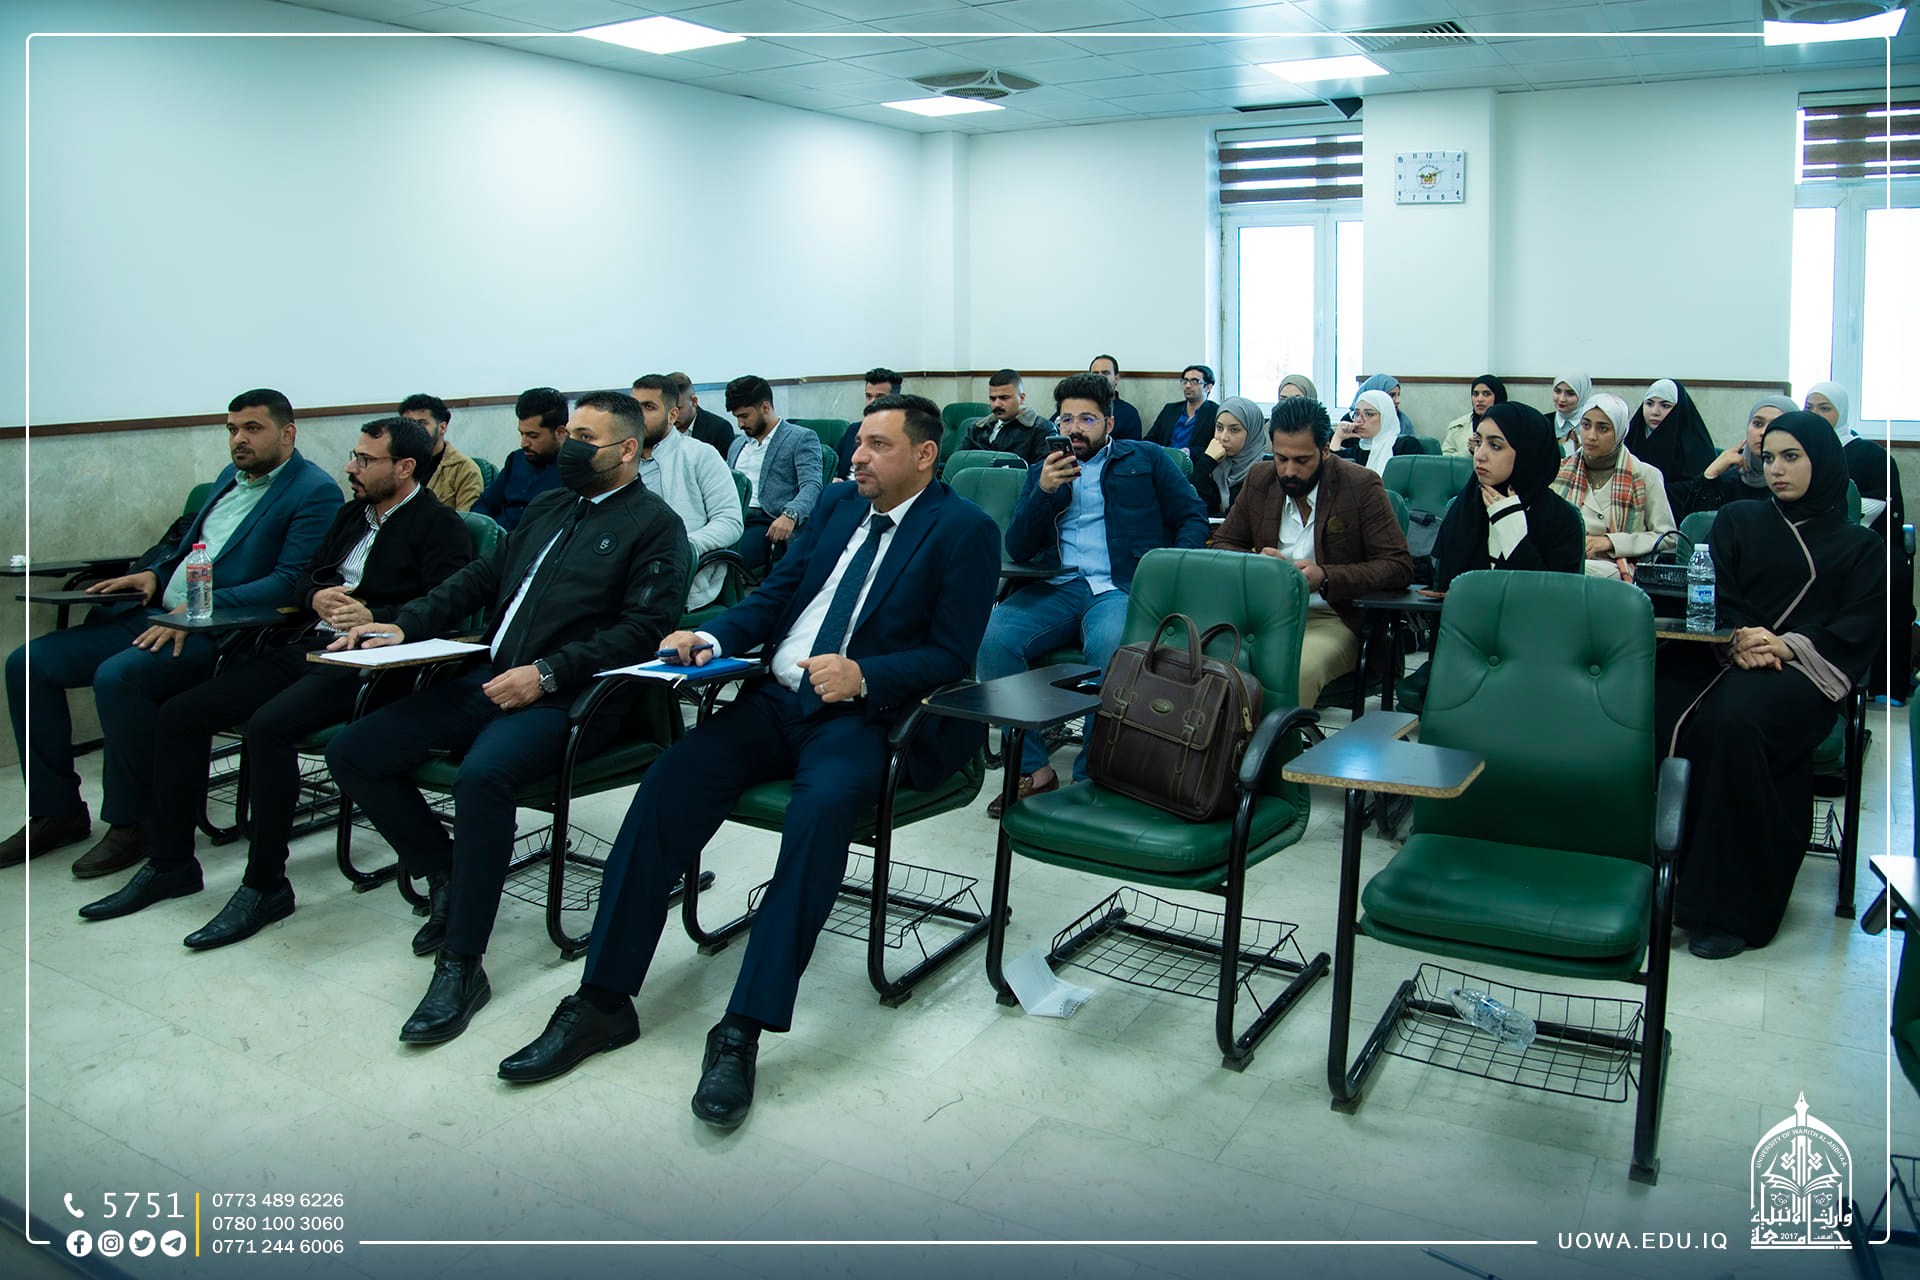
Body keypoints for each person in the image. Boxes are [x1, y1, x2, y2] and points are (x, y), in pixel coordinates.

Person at [495, 393, 999, 1130]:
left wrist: (867, 675)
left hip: (860, 718)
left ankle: (743, 1028)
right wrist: (713, 636)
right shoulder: (838, 507)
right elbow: (778, 594)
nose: (857, 456)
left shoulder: (964, 530)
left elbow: (952, 653)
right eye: (858, 442)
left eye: (878, 446)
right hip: (773, 701)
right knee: (668, 782)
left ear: (925, 455)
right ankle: (601, 1000)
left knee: (818, 816)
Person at [324, 390, 689, 1045]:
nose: (569, 447)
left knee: (482, 777)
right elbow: (478, 579)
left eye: (586, 438)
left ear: (628, 449)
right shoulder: (550, 505)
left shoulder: (654, 525)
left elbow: (643, 630)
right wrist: (402, 623)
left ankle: (462, 962)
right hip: (491, 676)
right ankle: (447, 870)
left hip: (573, 698)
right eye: (569, 434)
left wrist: (547, 672)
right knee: (354, 751)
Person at [73, 418, 471, 943]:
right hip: (306, 643)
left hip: (368, 660)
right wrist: (315, 596)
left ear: (405, 467)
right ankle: (171, 863)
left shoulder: (439, 525)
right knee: (181, 714)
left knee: (269, 728)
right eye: (353, 455)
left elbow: (443, 607)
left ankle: (265, 886)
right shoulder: (352, 514)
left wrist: (375, 615)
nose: (350, 467)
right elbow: (305, 577)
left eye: (365, 460)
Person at [1, 389, 341, 873]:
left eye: (252, 429)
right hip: (158, 614)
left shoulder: (314, 491)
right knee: (28, 663)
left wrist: (201, 606)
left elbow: (289, 582)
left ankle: (135, 822)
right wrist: (153, 575)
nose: (238, 440)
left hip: (221, 631)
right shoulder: (228, 478)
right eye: (232, 429)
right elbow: (188, 549)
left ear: (288, 433)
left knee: (120, 677)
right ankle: (56, 811)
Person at [1657, 412, 1880, 958]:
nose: (1776, 469)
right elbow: (1716, 593)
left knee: (1733, 725)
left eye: (1791, 457)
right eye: (1769, 457)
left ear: (1822, 461)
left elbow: (1859, 625)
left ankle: (1728, 909)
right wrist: (1735, 639)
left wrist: (1786, 645)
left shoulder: (1860, 545)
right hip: (1724, 653)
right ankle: (1651, 881)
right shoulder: (1739, 518)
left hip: (1802, 671)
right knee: (1654, 705)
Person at [981, 372, 1208, 812]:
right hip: (1058, 586)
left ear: (1109, 423)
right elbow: (1019, 547)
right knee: (993, 638)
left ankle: (1092, 774)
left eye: (1087, 419)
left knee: (1110, 646)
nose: (1075, 429)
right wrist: (1044, 492)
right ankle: (1033, 769)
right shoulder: (1041, 472)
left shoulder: (1147, 459)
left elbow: (1192, 515)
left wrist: (1169, 573)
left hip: (1119, 587)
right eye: (1066, 420)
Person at [1212, 396, 1414, 708]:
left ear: (1325, 450)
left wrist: (1326, 577)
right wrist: (1256, 564)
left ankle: (1276, 740)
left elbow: (1398, 566)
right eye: (1281, 458)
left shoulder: (1360, 486)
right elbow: (1222, 544)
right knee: (1210, 667)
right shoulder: (1261, 479)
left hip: (1334, 617)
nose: (1289, 471)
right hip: (1265, 616)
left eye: (1302, 461)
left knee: (1290, 672)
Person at [1806, 380, 1912, 699]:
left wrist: (1833, 516)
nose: (1816, 414)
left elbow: (1880, 503)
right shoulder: (1800, 451)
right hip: (1813, 539)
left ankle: (1884, 683)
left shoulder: (1869, 454)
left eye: (1825, 408)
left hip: (1865, 539)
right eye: (1809, 408)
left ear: (1842, 412)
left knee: (1889, 572)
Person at [1431, 402, 1585, 589]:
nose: (1479, 455)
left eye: (1495, 446)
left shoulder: (1562, 519)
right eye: (1478, 442)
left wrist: (1514, 535)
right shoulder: (1466, 505)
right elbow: (1444, 590)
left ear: (1527, 453)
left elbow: (1556, 598)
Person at [630, 374, 743, 611]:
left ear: (672, 415)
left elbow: (729, 521)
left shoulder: (699, 455)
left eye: (649, 407)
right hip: (626, 566)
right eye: (634, 407)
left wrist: (684, 545)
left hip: (678, 571)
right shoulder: (622, 459)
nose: (638, 415)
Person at [1551, 393, 1679, 581]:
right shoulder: (1560, 471)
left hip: (1617, 567)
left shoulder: (1645, 476)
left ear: (1619, 432)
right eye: (1586, 425)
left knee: (1585, 572)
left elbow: (1668, 538)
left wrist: (1611, 542)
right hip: (1564, 559)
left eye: (1602, 428)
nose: (1591, 436)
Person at [725, 374, 822, 573]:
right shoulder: (737, 444)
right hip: (732, 516)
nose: (740, 424)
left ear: (765, 407)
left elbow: (812, 486)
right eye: (737, 417)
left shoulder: (800, 438)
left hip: (768, 521)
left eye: (744, 416)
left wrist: (791, 514)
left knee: (726, 557)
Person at [472, 387, 567, 532]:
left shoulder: (575, 469)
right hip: (497, 538)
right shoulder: (516, 459)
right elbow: (485, 504)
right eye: (522, 434)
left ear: (560, 432)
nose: (524, 443)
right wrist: (486, 531)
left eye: (533, 436)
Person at [1624, 378, 1715, 518]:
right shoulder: (1632, 437)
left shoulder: (1695, 445)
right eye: (1649, 404)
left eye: (1665, 405)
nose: (1655, 412)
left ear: (1678, 409)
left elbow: (1698, 490)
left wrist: (1651, 491)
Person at [1697, 394, 1797, 513]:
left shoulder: (1798, 482)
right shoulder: (1729, 479)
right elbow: (1697, 521)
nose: (1763, 432)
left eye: (1775, 425)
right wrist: (1710, 475)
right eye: (1758, 424)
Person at [397, 393, 485, 513]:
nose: (414, 430)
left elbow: (467, 520)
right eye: (408, 423)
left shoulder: (464, 469)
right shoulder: (395, 464)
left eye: (422, 423)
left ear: (442, 428)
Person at [1193, 395, 1265, 518]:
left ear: (1252, 433)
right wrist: (1206, 463)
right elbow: (1190, 505)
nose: (1223, 438)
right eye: (1219, 428)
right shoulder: (1213, 461)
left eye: (1234, 430)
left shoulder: (1265, 471)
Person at [959, 369, 1051, 463]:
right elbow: (958, 462)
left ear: (1021, 398)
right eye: (993, 399)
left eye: (1004, 398)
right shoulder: (976, 429)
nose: (997, 404)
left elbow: (1044, 469)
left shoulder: (1041, 430)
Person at [834, 368, 901, 480]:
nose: (872, 402)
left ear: (895, 399)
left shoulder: (902, 433)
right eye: (869, 396)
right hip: (843, 488)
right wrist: (833, 478)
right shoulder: (854, 429)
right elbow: (832, 464)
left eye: (880, 397)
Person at [1332, 389, 1418, 475]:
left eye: (1369, 414)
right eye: (1357, 414)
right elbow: (1330, 469)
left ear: (1385, 417)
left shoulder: (1406, 446)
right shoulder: (1357, 451)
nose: (1358, 420)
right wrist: (1338, 437)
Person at [1147, 364, 1218, 467]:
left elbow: (1216, 448)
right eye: (1185, 381)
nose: (1188, 386)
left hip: (1193, 466)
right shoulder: (1170, 410)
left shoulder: (1215, 413)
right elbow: (1149, 439)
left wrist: (1190, 452)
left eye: (1195, 381)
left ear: (1208, 387)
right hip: (1162, 463)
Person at [666, 372, 738, 455]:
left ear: (694, 402)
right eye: (666, 409)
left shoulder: (719, 429)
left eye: (678, 409)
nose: (671, 416)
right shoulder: (660, 427)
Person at [1441, 374, 1507, 457]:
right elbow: (1445, 460)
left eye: (1486, 394)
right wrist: (1469, 451)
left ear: (1498, 396)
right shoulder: (1457, 427)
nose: (1480, 399)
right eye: (1475, 394)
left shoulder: (1510, 425)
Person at [1089, 354, 1143, 441]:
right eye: (1095, 374)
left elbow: (1130, 447)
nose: (1100, 378)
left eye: (1105, 373)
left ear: (1116, 378)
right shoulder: (1076, 408)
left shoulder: (1128, 413)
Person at [1547, 373, 1593, 456]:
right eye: (1557, 391)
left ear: (1582, 395)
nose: (1562, 399)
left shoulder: (1592, 424)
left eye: (1570, 393)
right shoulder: (1544, 421)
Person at [1349, 374, 1414, 433]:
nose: (1398, 401)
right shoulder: (1349, 423)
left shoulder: (1403, 423)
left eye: (1398, 395)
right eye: (1391, 395)